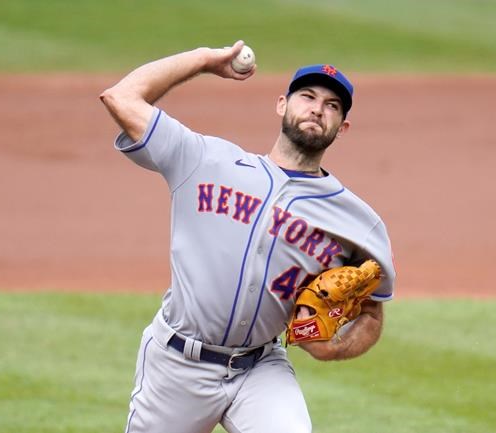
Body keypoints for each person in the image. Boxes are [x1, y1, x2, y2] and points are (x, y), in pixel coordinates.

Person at [99, 40, 396, 433]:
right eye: (307, 96)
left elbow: (372, 312)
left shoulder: (358, 222)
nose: (317, 109)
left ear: (342, 127)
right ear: (282, 105)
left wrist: (335, 348)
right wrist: (204, 60)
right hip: (176, 364)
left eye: (332, 106)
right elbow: (121, 97)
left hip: (261, 368)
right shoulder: (206, 160)